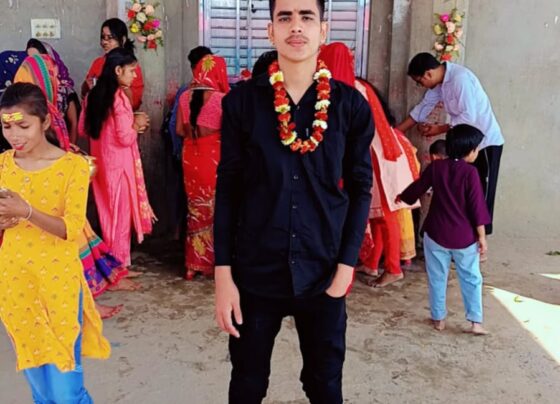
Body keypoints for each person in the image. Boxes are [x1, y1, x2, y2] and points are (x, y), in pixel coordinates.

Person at [214, 1, 374, 402]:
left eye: (307, 17)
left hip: (324, 271)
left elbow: (360, 189)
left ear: (323, 30)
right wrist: (223, 275)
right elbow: (228, 188)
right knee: (247, 383)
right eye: (285, 17)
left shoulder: (350, 106)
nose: (296, 27)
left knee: (325, 385)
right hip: (255, 271)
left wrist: (346, 267)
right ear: (271, 30)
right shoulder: (241, 103)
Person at [0, 82, 110, 403]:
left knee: (66, 392)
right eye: (7, 127)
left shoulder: (73, 166)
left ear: (45, 121)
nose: (14, 135)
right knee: (41, 389)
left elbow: (72, 229)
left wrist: (27, 211)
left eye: (23, 126)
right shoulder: (4, 165)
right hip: (15, 282)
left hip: (58, 283)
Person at [14, 51, 135, 319]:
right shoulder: (34, 113)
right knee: (67, 249)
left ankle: (87, 299)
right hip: (45, 195)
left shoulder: (47, 108)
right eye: (52, 74)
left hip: (52, 190)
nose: (57, 79)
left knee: (74, 244)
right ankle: (82, 303)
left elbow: (69, 138)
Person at [320, 42, 419, 287]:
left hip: (379, 157)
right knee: (374, 214)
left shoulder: (349, 89)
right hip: (374, 153)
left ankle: (393, 268)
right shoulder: (356, 86)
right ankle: (373, 263)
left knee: (385, 214)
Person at [396, 52, 503, 236]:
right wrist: (395, 132)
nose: (421, 86)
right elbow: (422, 108)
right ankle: (465, 236)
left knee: (481, 193)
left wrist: (439, 129)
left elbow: (468, 116)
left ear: (428, 74)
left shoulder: (460, 79)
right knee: (464, 190)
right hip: (464, 144)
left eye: (419, 81)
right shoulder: (440, 83)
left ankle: (480, 239)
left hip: (484, 143)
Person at [398, 124, 490, 335]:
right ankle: (475, 322)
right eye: (476, 148)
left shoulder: (437, 167)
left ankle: (438, 318)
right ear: (469, 150)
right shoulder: (470, 173)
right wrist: (482, 237)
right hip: (464, 237)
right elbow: (477, 207)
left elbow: (417, 188)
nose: (477, 152)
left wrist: (402, 197)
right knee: (471, 278)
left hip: (435, 233)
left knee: (437, 277)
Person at [80, 48, 155, 270]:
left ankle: (111, 264)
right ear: (118, 70)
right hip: (120, 167)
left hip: (101, 165)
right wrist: (136, 125)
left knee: (106, 215)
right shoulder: (119, 98)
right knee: (120, 219)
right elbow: (125, 137)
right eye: (131, 71)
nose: (134, 75)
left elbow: (84, 129)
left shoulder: (92, 95)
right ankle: (118, 266)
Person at [176, 54, 230, 280]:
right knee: (216, 209)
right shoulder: (222, 99)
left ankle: (193, 265)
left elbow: (179, 130)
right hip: (213, 159)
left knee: (195, 209)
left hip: (190, 158)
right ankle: (215, 263)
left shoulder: (184, 97)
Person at [25, 39, 81, 143]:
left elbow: (74, 124)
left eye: (39, 59)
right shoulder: (26, 91)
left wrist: (69, 149)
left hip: (61, 145)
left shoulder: (65, 90)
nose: (35, 64)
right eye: (31, 59)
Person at [82, 18, 144, 111]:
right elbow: (85, 94)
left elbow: (134, 104)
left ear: (122, 40)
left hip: (122, 114)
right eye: (103, 37)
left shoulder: (131, 66)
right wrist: (86, 86)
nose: (104, 42)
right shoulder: (98, 62)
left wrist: (122, 87)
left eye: (110, 37)